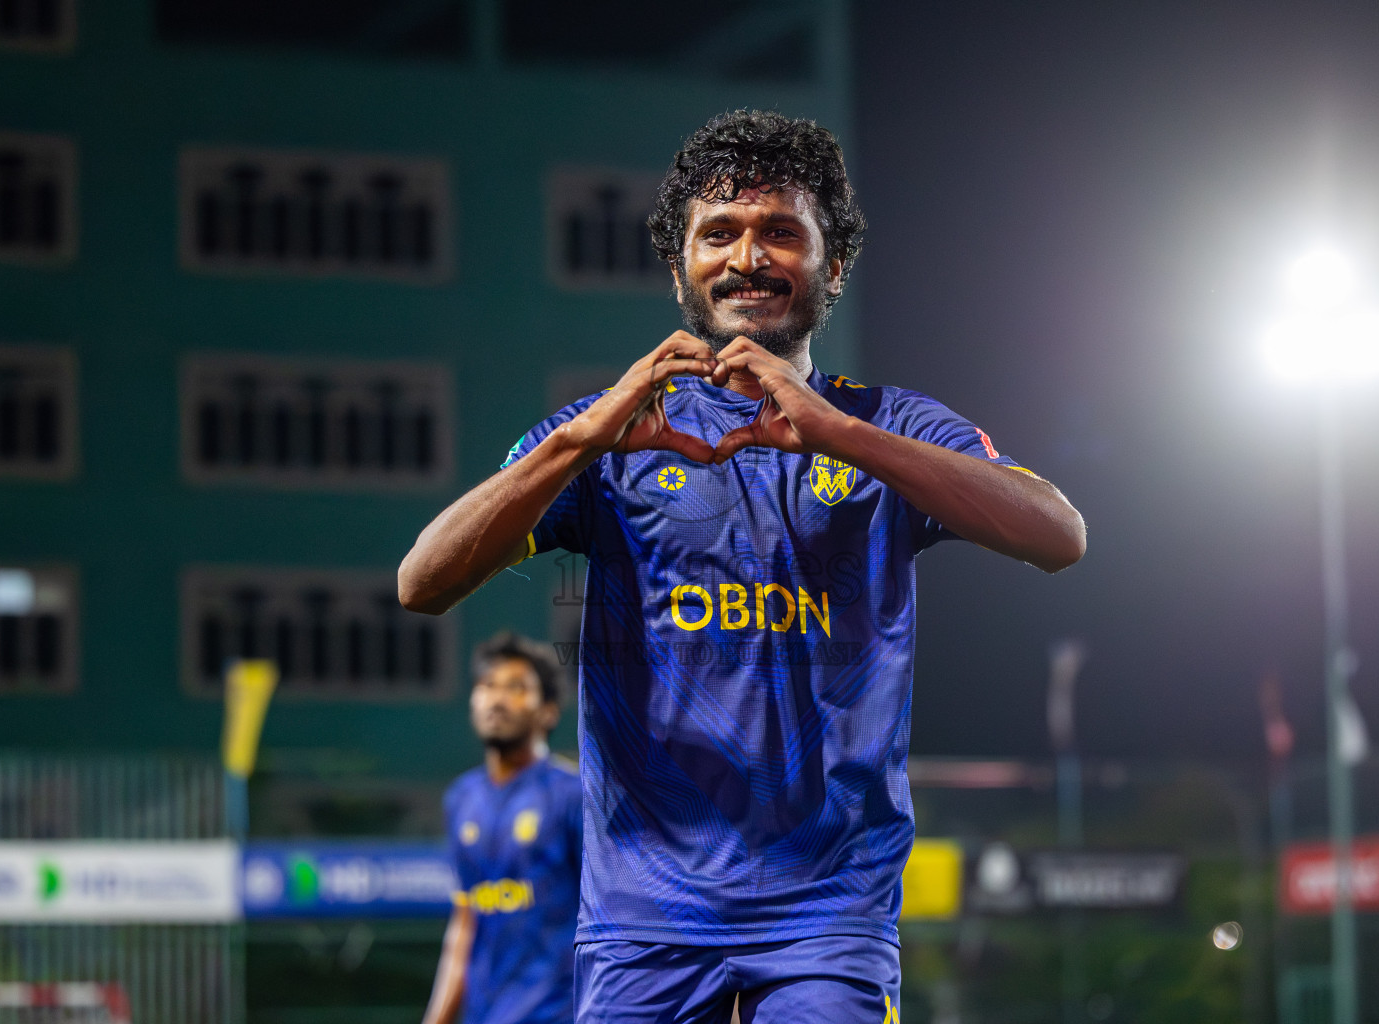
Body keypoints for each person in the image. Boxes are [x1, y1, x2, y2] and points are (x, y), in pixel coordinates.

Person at [401, 110, 1085, 1024]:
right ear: (680, 264)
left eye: (780, 232)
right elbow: (423, 582)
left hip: (826, 912)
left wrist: (839, 432)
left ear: (831, 264)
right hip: (644, 916)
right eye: (717, 233)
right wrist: (579, 440)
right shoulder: (607, 437)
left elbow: (1057, 534)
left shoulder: (890, 428)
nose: (746, 257)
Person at [423, 631, 581, 1024]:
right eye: (487, 685)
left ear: (547, 711)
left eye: (516, 687)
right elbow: (464, 923)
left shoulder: (573, 795)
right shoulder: (461, 798)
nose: (496, 698)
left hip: (561, 1013)